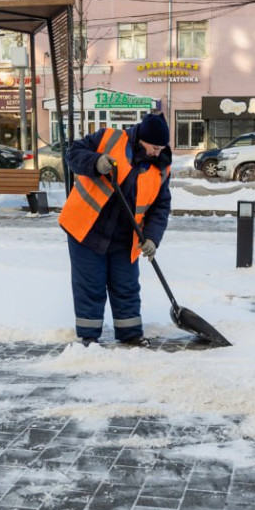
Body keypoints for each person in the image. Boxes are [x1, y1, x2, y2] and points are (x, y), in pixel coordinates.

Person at [59, 114, 172, 345]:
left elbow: (160, 206)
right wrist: (96, 162)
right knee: (91, 285)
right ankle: (89, 338)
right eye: (154, 147)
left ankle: (130, 335)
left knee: (126, 286)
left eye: (161, 148)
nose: (157, 153)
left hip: (125, 237)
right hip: (86, 228)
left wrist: (152, 238)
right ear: (142, 138)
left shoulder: (161, 168)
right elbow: (73, 154)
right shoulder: (108, 138)